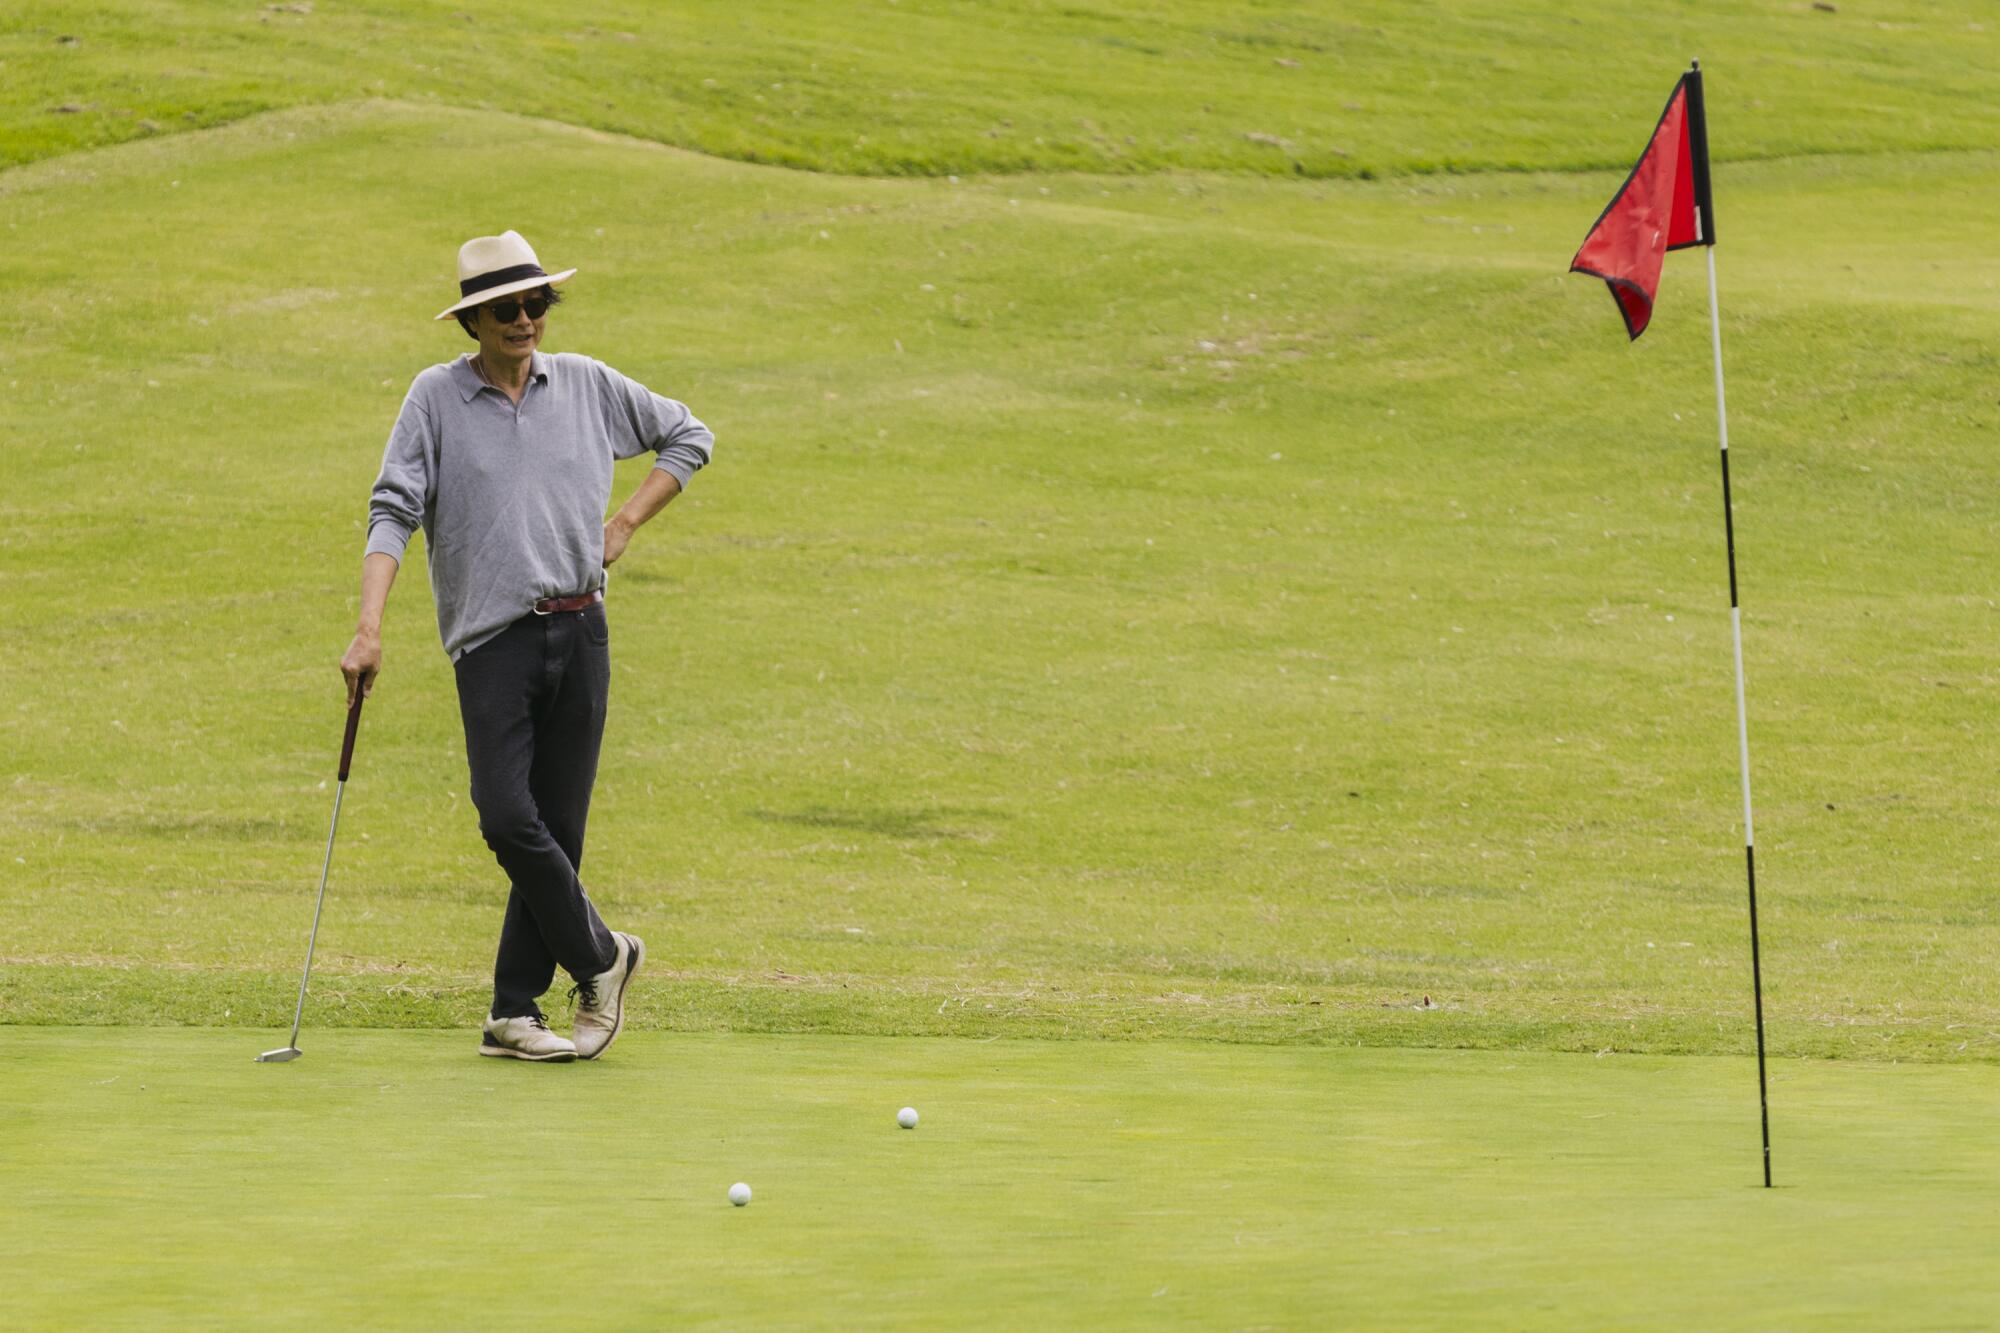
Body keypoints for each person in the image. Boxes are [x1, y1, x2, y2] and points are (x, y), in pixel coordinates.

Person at [339, 230, 714, 1062]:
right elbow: (392, 510)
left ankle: (514, 1009)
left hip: (581, 629)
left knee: (559, 828)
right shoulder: (434, 399)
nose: (524, 319)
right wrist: (369, 627)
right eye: (505, 308)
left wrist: (624, 521)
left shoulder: (585, 384)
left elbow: (689, 437)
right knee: (510, 817)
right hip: (493, 642)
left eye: (536, 302)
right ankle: (602, 957)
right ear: (472, 320)